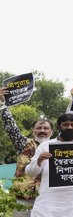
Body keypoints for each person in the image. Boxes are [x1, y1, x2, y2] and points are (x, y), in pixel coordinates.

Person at [25, 113, 73, 217]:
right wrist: (39, 160)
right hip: (47, 206)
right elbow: (30, 172)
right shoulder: (45, 146)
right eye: (66, 124)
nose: (69, 127)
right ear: (59, 126)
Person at [0, 87, 54, 216]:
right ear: (33, 130)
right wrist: (2, 104)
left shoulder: (58, 147)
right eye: (38, 128)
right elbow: (11, 128)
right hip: (24, 198)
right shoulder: (24, 144)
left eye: (45, 128)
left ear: (51, 131)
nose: (42, 130)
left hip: (48, 197)